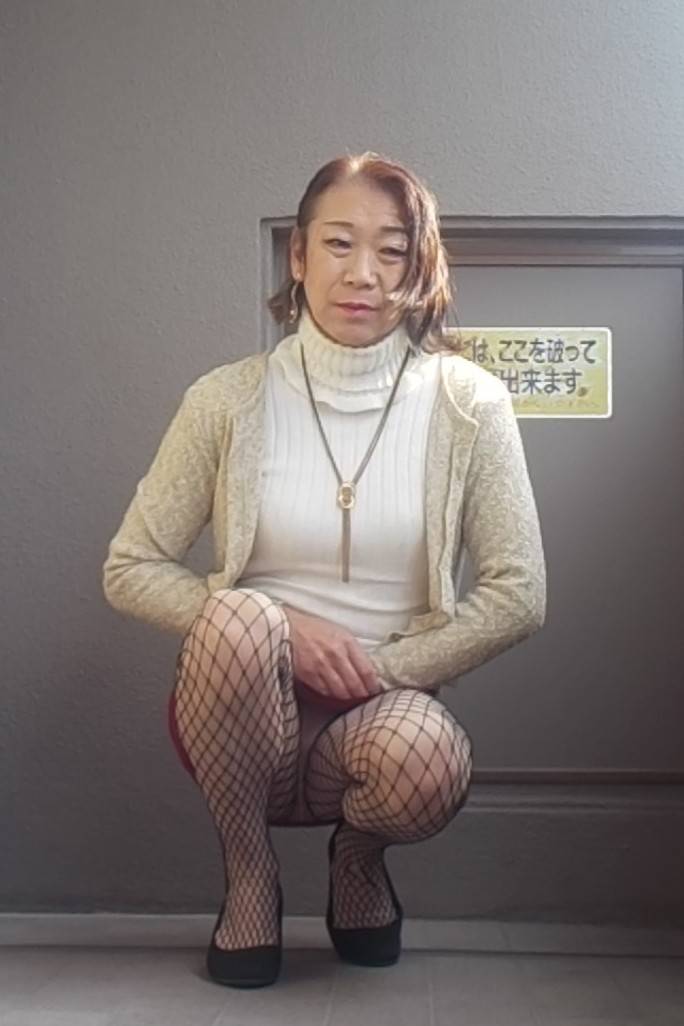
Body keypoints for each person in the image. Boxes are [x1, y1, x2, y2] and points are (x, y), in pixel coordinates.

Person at [102, 150, 547, 989]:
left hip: (380, 716)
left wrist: (382, 671)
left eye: (392, 251)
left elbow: (519, 592)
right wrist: (286, 631)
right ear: (299, 257)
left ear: (418, 269)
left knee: (429, 761)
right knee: (243, 615)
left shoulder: (470, 404)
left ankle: (358, 860)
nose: (364, 273)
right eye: (340, 243)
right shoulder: (225, 399)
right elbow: (130, 567)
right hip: (241, 702)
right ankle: (249, 875)